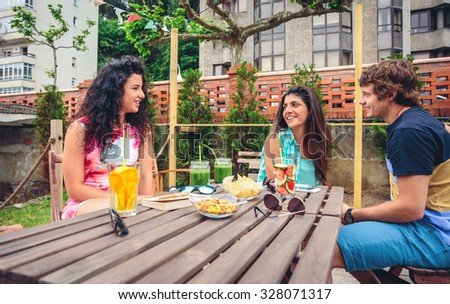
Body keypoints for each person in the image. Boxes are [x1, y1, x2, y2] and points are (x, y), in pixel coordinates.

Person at [332, 59, 450, 283]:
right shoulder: (421, 122)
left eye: (366, 94)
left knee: (320, 246)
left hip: (435, 235)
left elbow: (410, 209)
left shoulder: (409, 131)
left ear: (390, 94)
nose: (361, 101)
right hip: (429, 227)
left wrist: (352, 214)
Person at [61, 55, 155, 219]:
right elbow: (74, 188)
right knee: (116, 208)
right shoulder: (80, 129)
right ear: (115, 91)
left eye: (142, 88)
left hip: (131, 206)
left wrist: (146, 208)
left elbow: (146, 177)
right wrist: (125, 200)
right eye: (135, 88)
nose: (142, 95)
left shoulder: (142, 130)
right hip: (87, 205)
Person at [257, 85, 330, 187]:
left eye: (295, 105)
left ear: (310, 109)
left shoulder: (317, 142)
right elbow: (276, 188)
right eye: (285, 107)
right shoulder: (274, 141)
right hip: (278, 201)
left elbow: (322, 185)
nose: (287, 111)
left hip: (310, 201)